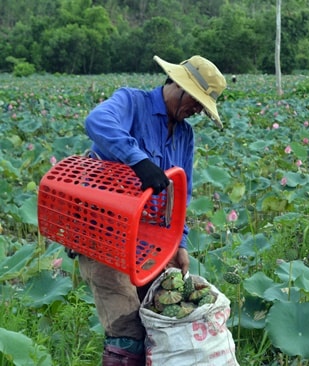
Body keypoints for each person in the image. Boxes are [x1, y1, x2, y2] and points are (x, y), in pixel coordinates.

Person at [78, 55, 227, 365]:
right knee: (126, 325)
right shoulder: (131, 102)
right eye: (197, 102)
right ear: (180, 86)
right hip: (103, 231)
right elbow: (96, 122)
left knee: (157, 312)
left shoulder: (185, 134)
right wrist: (138, 159)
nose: (197, 110)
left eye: (203, 105)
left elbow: (180, 192)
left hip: (149, 237)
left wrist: (180, 243)